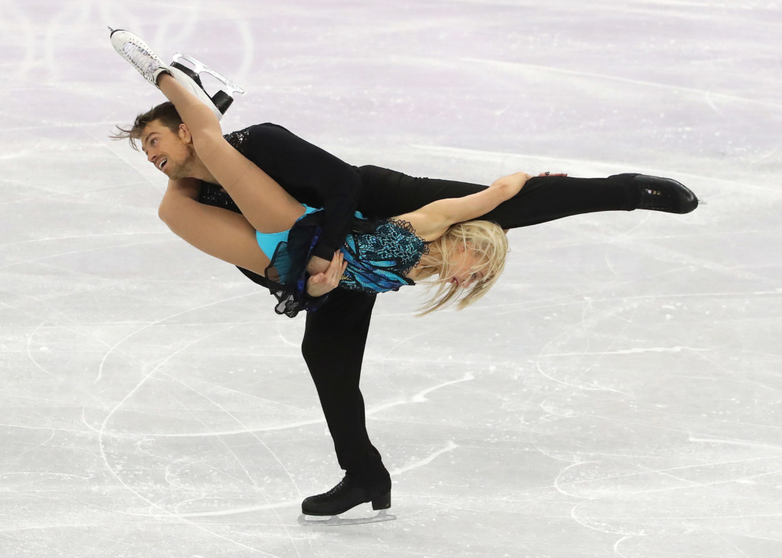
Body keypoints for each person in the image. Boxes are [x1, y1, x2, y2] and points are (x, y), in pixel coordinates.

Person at [110, 29, 700, 518]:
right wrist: (304, 286)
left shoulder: (259, 140)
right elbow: (257, 258)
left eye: (155, 139)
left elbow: (341, 185)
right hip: (342, 261)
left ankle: (629, 191)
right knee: (325, 357)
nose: (151, 155)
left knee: (496, 207)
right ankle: (364, 475)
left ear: (185, 127)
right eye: (146, 151)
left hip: (372, 202)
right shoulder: (194, 195)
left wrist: (321, 254)